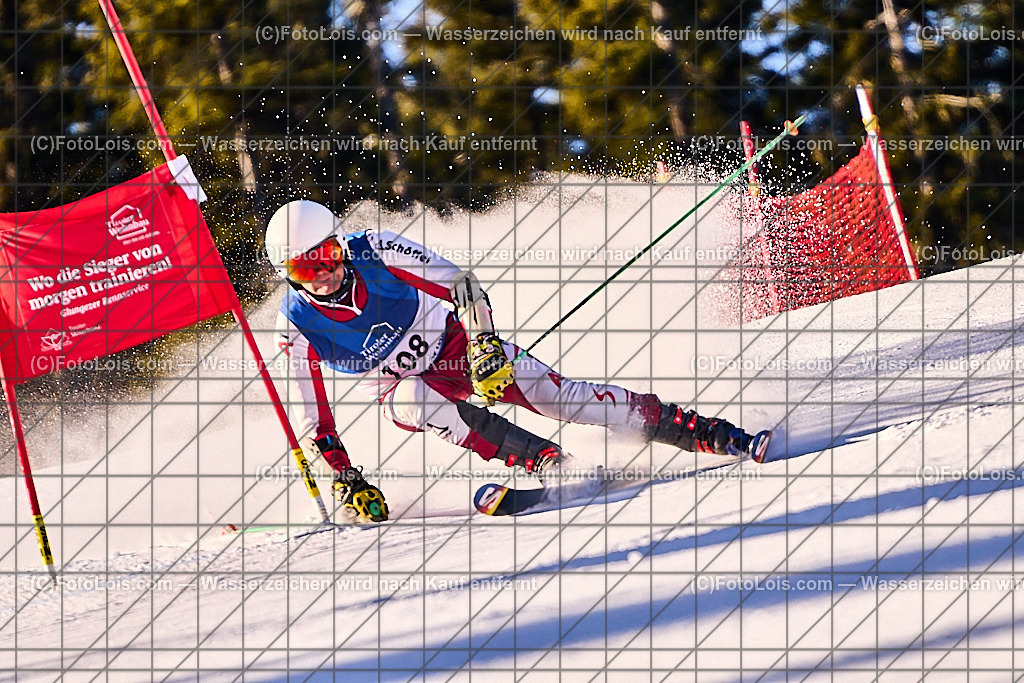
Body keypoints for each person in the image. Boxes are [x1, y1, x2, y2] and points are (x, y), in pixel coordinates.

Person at [266, 200, 769, 523]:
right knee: (414, 397)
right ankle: (551, 465)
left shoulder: (374, 250)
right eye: (305, 266)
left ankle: (708, 433)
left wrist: (485, 344)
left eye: (329, 253)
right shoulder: (296, 328)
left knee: (559, 396)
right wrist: (343, 477)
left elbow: (460, 284)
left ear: (341, 244)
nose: (324, 272)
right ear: (288, 274)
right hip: (405, 391)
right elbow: (314, 421)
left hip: (457, 347)